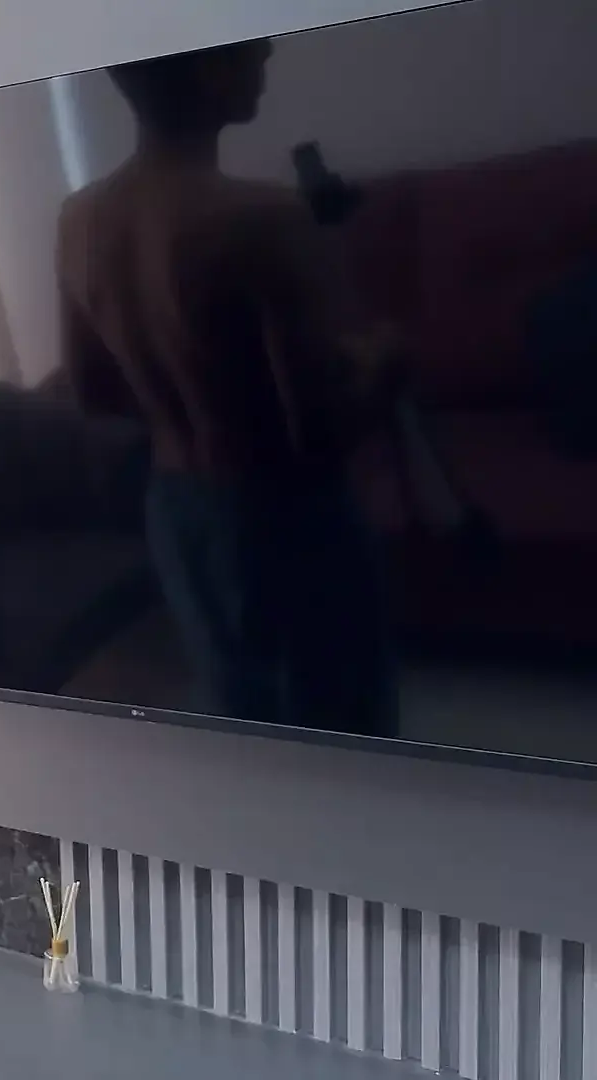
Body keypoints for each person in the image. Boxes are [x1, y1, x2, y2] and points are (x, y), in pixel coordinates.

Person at [54, 39, 402, 738]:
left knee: (246, 723)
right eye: (250, 43)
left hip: (179, 512)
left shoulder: (80, 219)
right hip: (286, 512)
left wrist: (189, 384)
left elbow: (93, 392)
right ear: (209, 67)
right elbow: (319, 434)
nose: (267, 50)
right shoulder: (264, 219)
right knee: (349, 734)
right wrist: (387, 363)